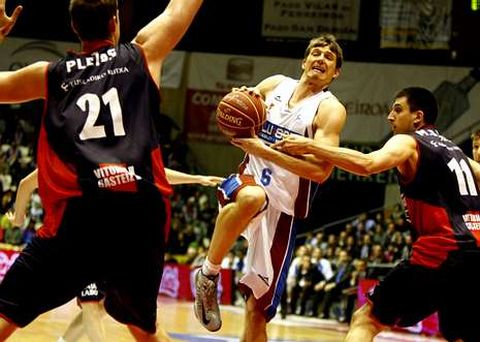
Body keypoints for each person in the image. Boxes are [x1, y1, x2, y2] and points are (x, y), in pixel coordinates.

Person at [0, 0, 203, 340]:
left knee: (6, 315)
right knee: (143, 330)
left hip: (78, 216)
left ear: (73, 26)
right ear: (114, 21)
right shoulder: (142, 55)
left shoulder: (49, 75)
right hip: (139, 215)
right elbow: (179, 8)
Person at [274, 86, 480, 341]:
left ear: (418, 117)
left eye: (397, 109)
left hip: (440, 250)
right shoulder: (457, 152)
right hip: (475, 256)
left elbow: (368, 164)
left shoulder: (409, 141)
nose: (390, 117)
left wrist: (312, 147)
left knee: (366, 319)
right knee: (459, 336)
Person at [194, 34, 347, 341]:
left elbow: (320, 173)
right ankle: (208, 275)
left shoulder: (329, 110)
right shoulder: (275, 84)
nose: (320, 59)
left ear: (335, 74)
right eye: (315, 53)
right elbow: (237, 112)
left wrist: (265, 150)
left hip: (284, 212)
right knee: (253, 197)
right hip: (247, 182)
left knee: (257, 312)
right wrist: (239, 100)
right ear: (303, 62)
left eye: (329, 58)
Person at [5, 168, 222, 342]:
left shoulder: (95, 156)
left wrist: (18, 218)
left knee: (103, 310)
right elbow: (27, 182)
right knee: (96, 306)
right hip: (90, 245)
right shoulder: (94, 156)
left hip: (102, 246)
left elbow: (155, 174)